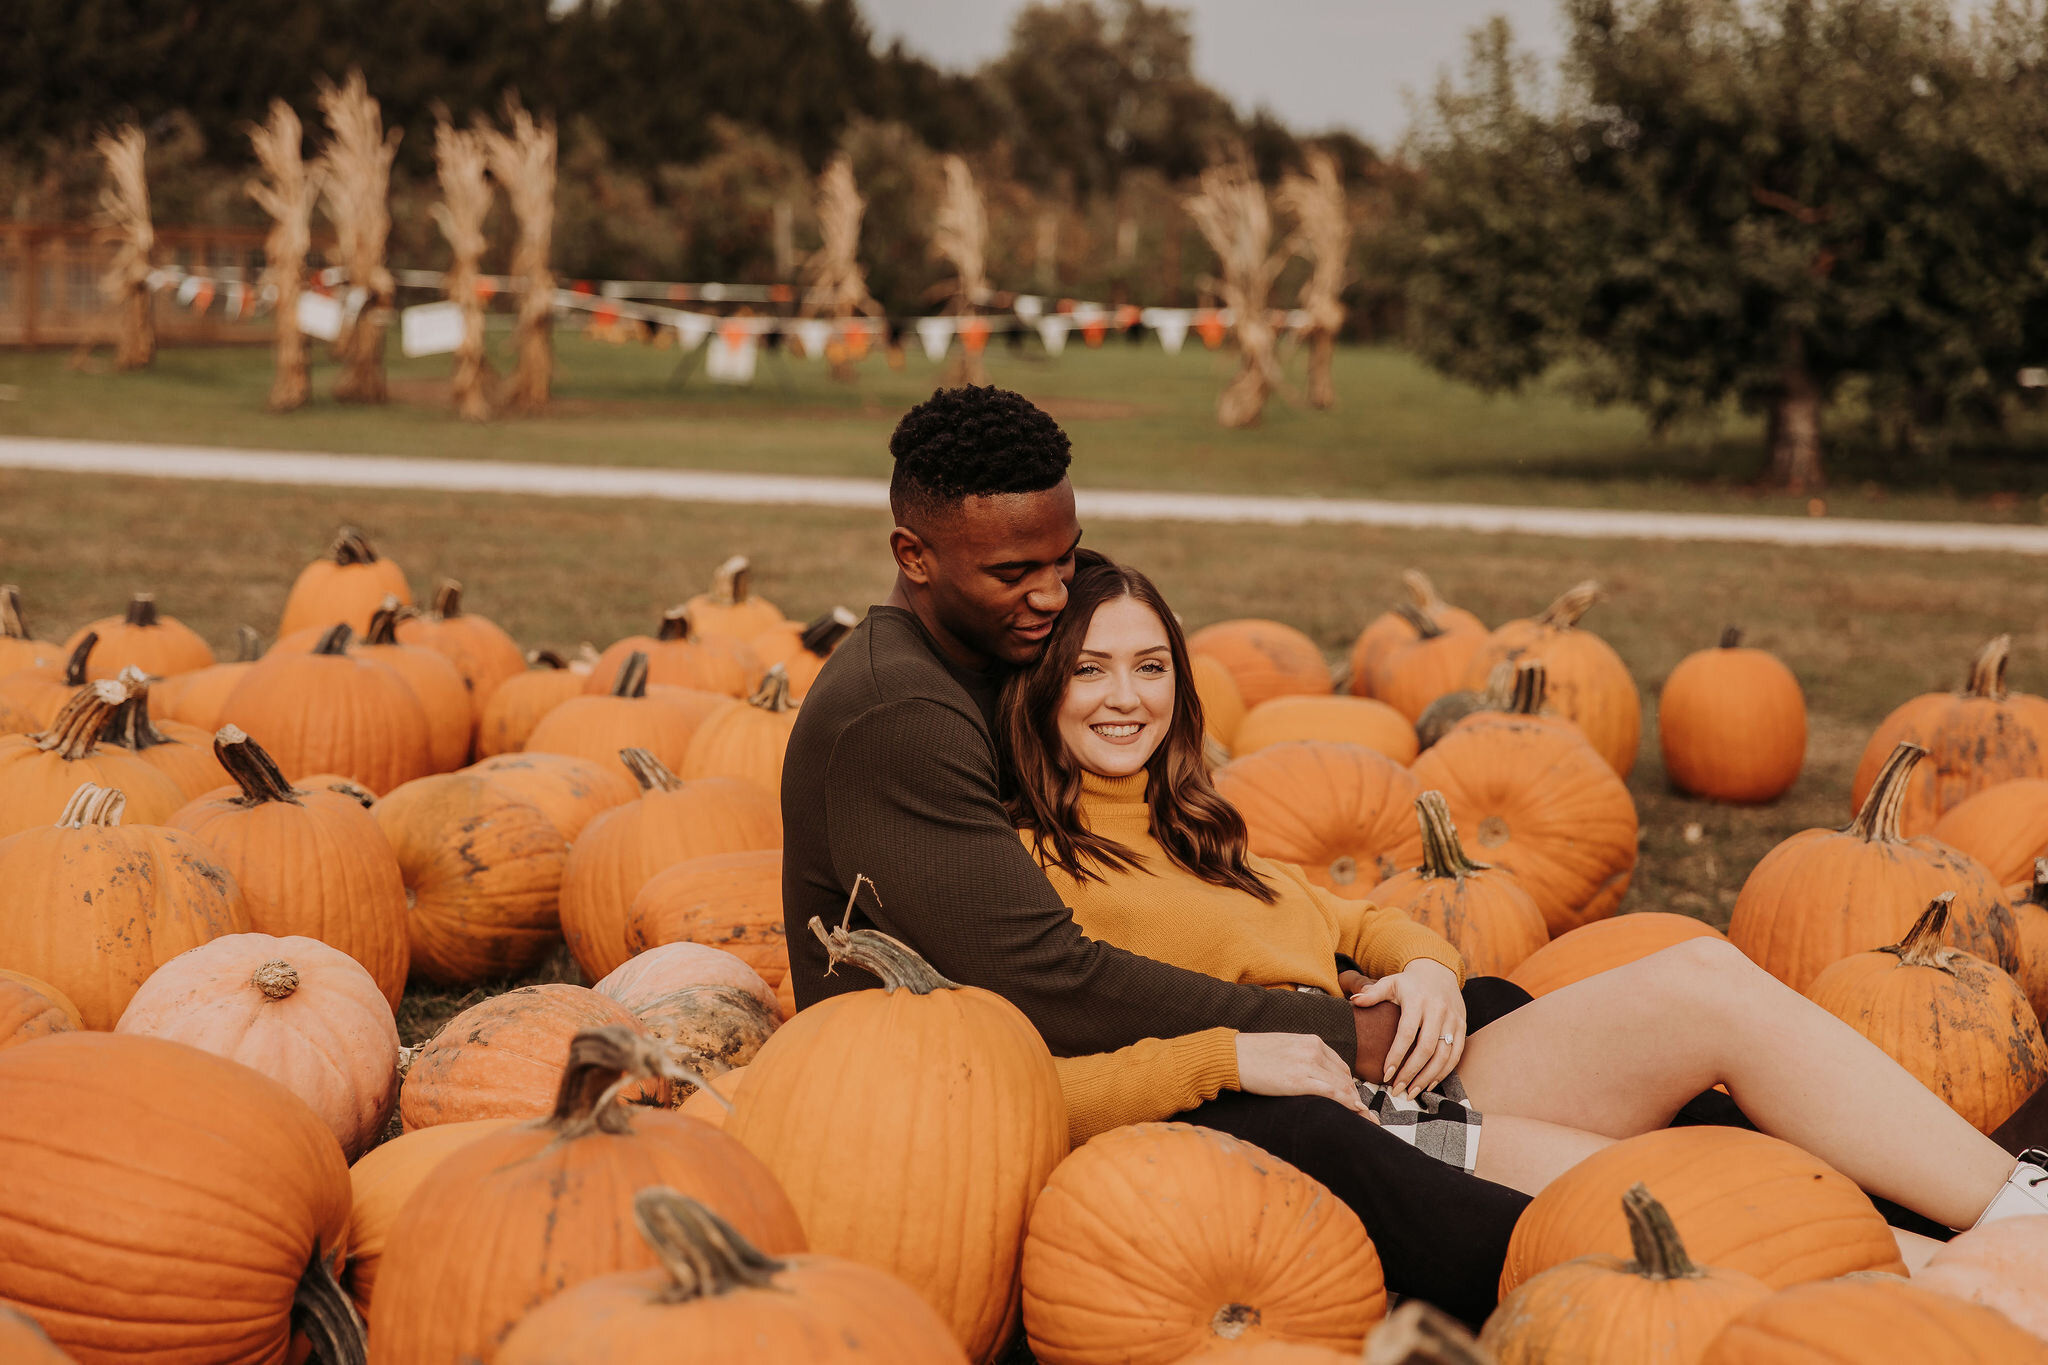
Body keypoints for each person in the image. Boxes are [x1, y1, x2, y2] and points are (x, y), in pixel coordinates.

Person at [996, 554, 2048, 1261]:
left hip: (1400, 1068)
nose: (1124, 696)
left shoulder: (1185, 819)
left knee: (1702, 979)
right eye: (1087, 670)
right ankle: (1989, 1284)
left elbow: (1338, 916)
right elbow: (1029, 1093)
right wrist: (1222, 1059)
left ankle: (2018, 1210)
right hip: (1334, 1131)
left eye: (1147, 665)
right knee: (1716, 1196)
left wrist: (1422, 965)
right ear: (1037, 688)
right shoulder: (1021, 870)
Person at [783, 385, 1541, 1322]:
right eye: (1019, 572)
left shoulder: (985, 648)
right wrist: (1309, 1031)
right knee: (1306, 1121)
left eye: (1065, 561)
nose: (1054, 596)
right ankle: (1563, 1261)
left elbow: (1173, 896)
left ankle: (1667, 1166)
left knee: (1483, 1012)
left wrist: (1387, 970)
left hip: (1036, 1052)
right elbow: (1044, 976)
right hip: (930, 1119)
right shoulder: (900, 709)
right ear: (914, 555)